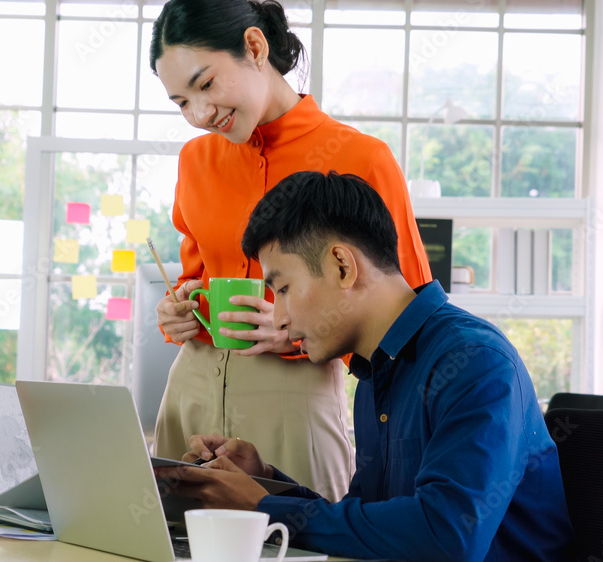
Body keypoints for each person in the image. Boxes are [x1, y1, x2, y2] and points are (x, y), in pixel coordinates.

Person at [154, 171, 577, 560]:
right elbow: (374, 524)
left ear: (343, 266)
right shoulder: (376, 370)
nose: (279, 317)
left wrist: (261, 506)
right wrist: (264, 481)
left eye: (283, 288)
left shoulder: (475, 362)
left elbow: (448, 537)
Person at [148, 0, 433, 501]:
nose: (199, 114)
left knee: (300, 543)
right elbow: (194, 279)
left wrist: (301, 331)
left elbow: (403, 319)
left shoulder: (361, 158)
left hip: (293, 393)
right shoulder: (195, 160)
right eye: (180, 102)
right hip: (191, 386)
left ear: (255, 48)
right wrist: (177, 313)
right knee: (171, 540)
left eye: (206, 84)